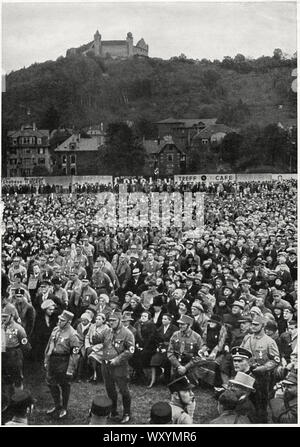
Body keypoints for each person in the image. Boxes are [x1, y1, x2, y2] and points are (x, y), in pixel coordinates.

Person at [92, 311, 135, 424]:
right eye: (110, 320)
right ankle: (113, 410)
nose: (111, 323)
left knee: (124, 390)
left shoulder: (127, 333)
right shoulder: (107, 330)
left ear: (120, 320)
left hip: (119, 367)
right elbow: (96, 340)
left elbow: (130, 351)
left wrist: (117, 360)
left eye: (113, 320)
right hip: (106, 365)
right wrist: (95, 332)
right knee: (110, 389)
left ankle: (126, 413)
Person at [240, 314, 281, 422]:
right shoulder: (247, 338)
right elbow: (241, 353)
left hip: (262, 377)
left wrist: (263, 368)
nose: (252, 327)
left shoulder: (269, 342)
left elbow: (276, 360)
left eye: (256, 325)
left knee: (260, 404)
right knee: (245, 401)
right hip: (247, 374)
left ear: (263, 326)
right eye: (252, 324)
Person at [44, 310, 80, 419]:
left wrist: (70, 369)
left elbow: (75, 354)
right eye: (59, 319)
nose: (59, 321)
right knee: (51, 383)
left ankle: (64, 408)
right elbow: (49, 345)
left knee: (64, 385)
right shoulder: (56, 329)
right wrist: (46, 359)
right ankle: (57, 405)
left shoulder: (72, 334)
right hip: (53, 360)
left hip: (64, 361)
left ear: (68, 322)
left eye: (62, 320)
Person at [2, 309, 31, 397]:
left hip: (14, 354)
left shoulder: (19, 328)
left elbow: (26, 345)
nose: (3, 319)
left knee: (17, 378)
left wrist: (19, 356)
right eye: (2, 316)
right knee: (6, 378)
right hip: (3, 354)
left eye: (5, 316)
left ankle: (18, 400)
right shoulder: (1, 326)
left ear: (12, 316)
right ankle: (8, 399)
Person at [167, 314, 203, 384]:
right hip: (176, 365)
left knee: (188, 386)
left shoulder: (196, 337)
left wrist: (186, 367)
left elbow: (199, 355)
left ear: (188, 325)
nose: (180, 326)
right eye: (179, 324)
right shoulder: (175, 335)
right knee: (175, 386)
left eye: (183, 324)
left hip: (190, 366)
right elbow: (170, 352)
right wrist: (178, 366)